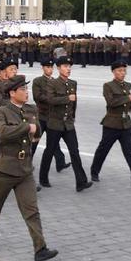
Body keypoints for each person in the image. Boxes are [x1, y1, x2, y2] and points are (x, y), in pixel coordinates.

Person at [0, 75, 58, 261]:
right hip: (4, 168)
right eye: (22, 90)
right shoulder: (1, 111)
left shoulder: (31, 109)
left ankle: (40, 248)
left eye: (26, 89)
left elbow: (37, 130)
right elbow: (4, 133)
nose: (26, 93)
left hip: (24, 169)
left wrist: (35, 131)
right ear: (12, 93)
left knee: (31, 209)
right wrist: (27, 128)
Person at [90, 61, 131, 187]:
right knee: (103, 149)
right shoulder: (108, 86)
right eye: (119, 70)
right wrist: (127, 99)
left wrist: (129, 105)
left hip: (126, 123)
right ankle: (94, 172)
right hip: (112, 123)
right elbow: (111, 102)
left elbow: (128, 103)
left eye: (124, 70)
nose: (122, 73)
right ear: (113, 72)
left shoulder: (128, 85)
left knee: (130, 151)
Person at [39, 56, 92, 192]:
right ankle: (43, 178)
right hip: (55, 123)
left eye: (69, 67)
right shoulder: (52, 83)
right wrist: (66, 98)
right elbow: (50, 100)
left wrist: (73, 116)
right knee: (49, 151)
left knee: (74, 152)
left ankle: (81, 182)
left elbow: (74, 103)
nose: (68, 69)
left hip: (68, 124)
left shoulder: (73, 83)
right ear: (58, 68)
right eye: (65, 66)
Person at [30, 59, 69, 171]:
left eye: (51, 67)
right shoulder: (38, 81)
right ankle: (26, 163)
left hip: (52, 116)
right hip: (41, 115)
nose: (50, 70)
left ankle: (60, 162)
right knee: (35, 141)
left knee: (54, 141)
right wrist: (52, 100)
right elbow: (37, 96)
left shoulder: (56, 81)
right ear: (43, 68)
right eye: (47, 67)